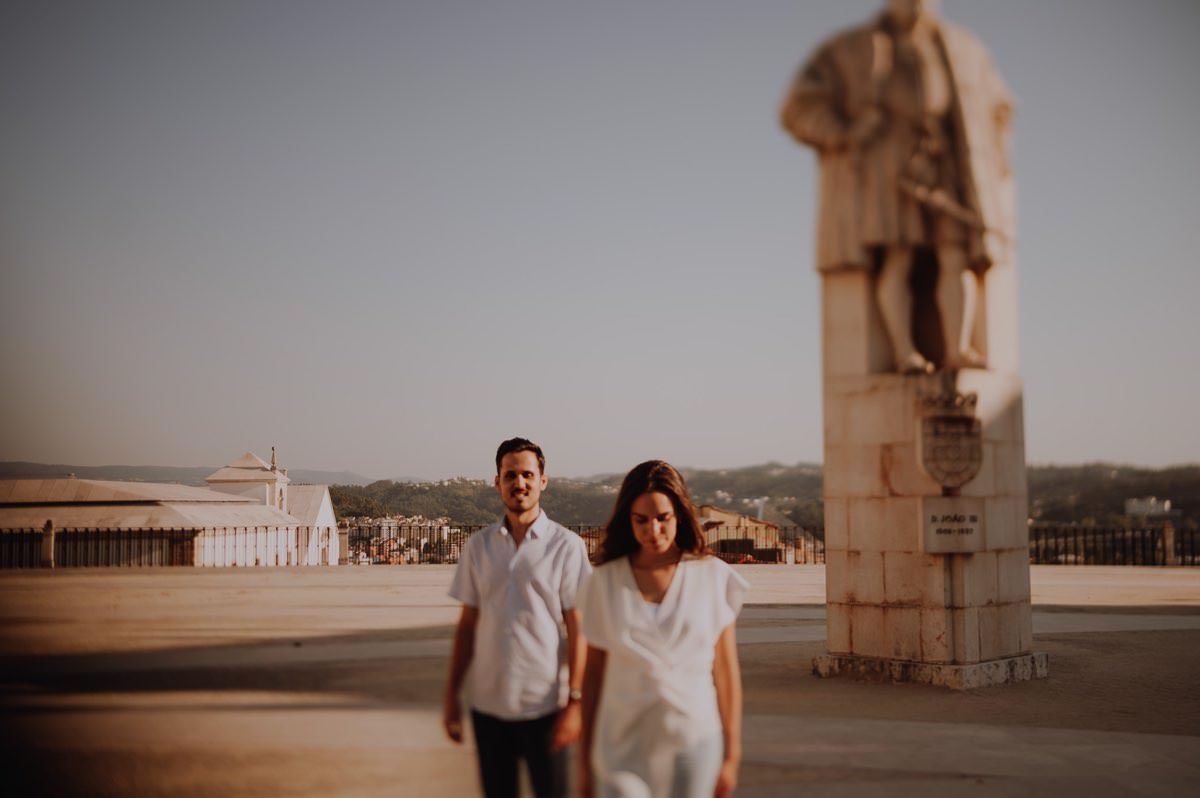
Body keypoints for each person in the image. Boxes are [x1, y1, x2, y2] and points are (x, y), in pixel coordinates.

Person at [780, 0, 1014, 373]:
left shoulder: (965, 47)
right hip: (886, 167)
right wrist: (842, 133)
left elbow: (1001, 111)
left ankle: (958, 350)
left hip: (948, 164)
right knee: (898, 256)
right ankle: (904, 353)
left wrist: (995, 162)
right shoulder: (849, 47)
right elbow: (800, 105)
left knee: (956, 254)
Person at [577, 460, 748, 798]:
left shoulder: (713, 577)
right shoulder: (604, 582)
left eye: (662, 518)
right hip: (620, 741)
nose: (652, 530)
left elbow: (726, 672)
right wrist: (583, 761)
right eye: (641, 520)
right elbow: (593, 673)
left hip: (693, 737)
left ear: (680, 515)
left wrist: (732, 753)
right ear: (628, 519)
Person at [443, 437, 592, 798]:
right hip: (488, 708)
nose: (519, 483)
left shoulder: (566, 546)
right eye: (510, 475)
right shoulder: (479, 546)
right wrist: (452, 695)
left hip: (546, 708)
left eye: (527, 474)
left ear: (543, 480)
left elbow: (579, 627)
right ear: (497, 482)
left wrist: (575, 702)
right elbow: (467, 625)